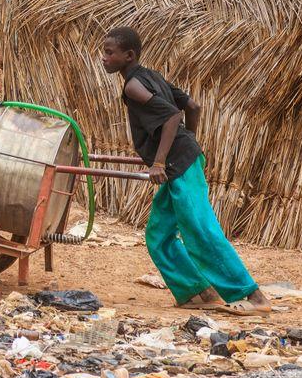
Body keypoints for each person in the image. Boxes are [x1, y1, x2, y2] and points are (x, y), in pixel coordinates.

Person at [102, 26, 271, 315]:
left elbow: (171, 116)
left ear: (128, 56)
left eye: (109, 52)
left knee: (200, 229)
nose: (103, 58)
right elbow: (193, 105)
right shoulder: (150, 76)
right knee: (159, 235)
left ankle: (251, 297)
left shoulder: (133, 86)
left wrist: (160, 161)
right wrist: (188, 141)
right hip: (179, 161)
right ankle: (197, 292)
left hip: (177, 165)